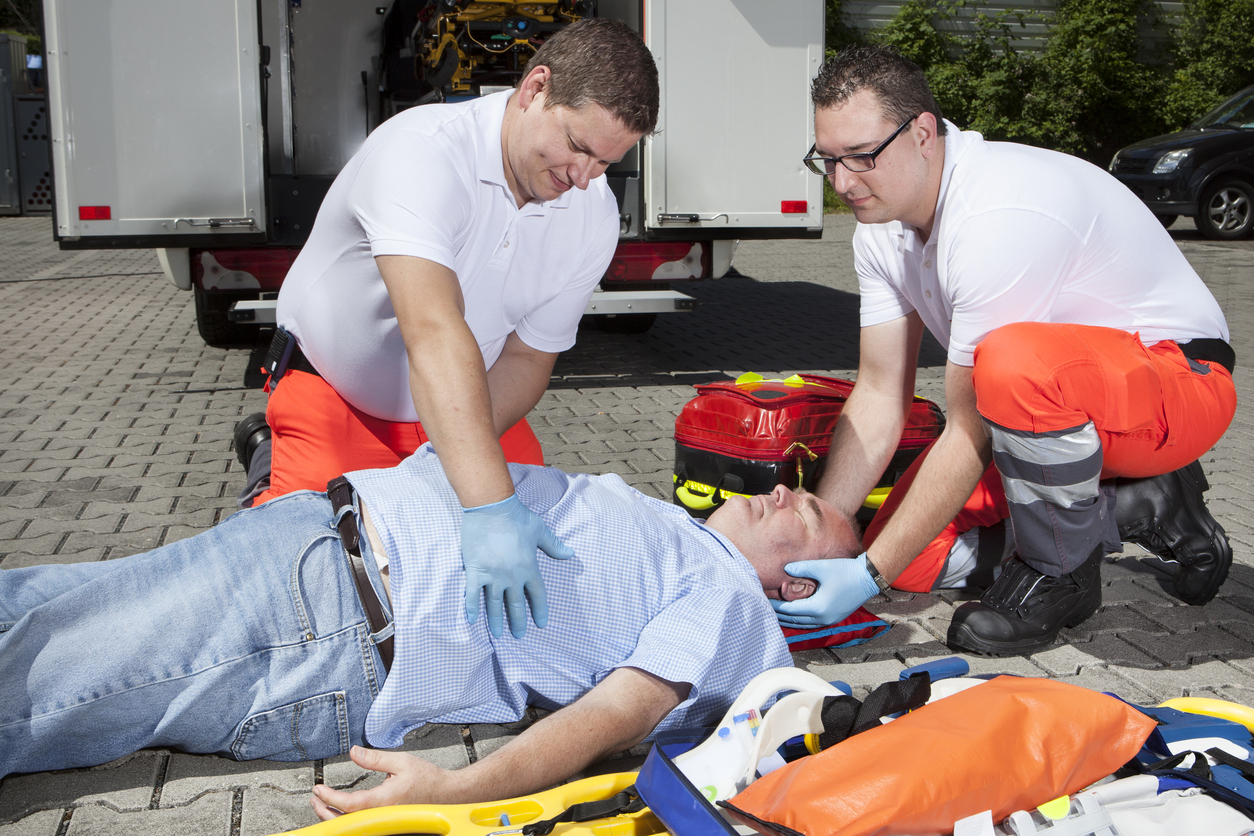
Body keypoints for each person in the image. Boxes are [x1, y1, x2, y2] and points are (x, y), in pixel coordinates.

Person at [0, 445, 862, 812]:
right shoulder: (680, 534)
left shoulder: (732, 608)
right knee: (27, 607)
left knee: (28, 679)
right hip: (316, 545)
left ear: (801, 582)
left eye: (811, 510)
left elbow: (613, 718)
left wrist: (455, 792)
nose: (786, 489)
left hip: (331, 621)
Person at [772, 45, 1236, 657]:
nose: (842, 182)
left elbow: (969, 430)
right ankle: (1136, 506)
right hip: (1049, 416)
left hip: (1178, 386)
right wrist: (822, 539)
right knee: (910, 558)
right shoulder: (879, 231)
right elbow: (882, 393)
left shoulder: (997, 212)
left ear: (923, 135)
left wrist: (865, 579)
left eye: (861, 157)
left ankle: (1059, 576)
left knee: (1012, 364)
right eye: (826, 160)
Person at [236, 18, 660, 644]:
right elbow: (432, 331)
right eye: (577, 146)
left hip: (471, 405)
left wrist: (452, 454)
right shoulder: (423, 151)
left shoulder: (591, 212)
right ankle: (268, 462)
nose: (584, 177)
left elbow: (527, 356)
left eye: (606, 160)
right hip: (336, 394)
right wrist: (485, 504)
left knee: (549, 567)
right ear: (534, 89)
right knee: (309, 591)